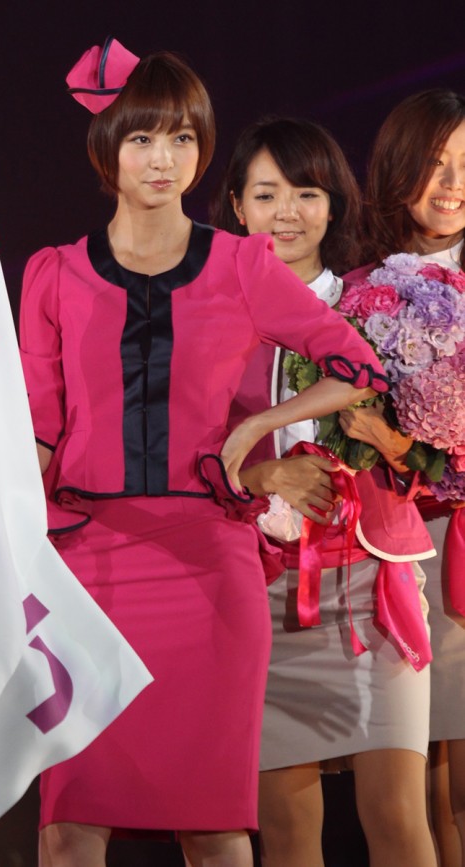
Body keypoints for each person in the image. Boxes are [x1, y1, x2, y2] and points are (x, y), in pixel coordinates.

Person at [20, 41, 388, 867]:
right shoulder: (53, 274)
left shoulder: (241, 264)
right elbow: (39, 433)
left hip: (209, 568)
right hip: (85, 568)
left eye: (183, 138)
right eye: (143, 138)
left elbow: (358, 368)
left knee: (214, 826)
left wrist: (255, 429)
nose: (164, 158)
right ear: (106, 148)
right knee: (68, 826)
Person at [211, 116, 437, 867]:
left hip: (374, 585)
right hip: (260, 592)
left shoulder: (385, 304)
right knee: (287, 835)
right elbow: (181, 456)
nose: (288, 213)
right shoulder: (205, 317)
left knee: (399, 819)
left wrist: (387, 438)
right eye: (266, 194)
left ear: (333, 203)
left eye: (307, 193)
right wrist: (258, 475)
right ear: (236, 206)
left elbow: (430, 458)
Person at [342, 89, 465, 866]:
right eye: (436, 162)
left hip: (459, 546)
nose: (453, 183)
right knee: (426, 791)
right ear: (398, 168)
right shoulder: (359, 293)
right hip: (405, 550)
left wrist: (406, 442)